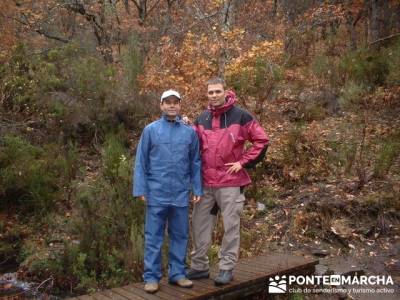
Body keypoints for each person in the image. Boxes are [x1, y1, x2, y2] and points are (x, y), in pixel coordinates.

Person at [186, 77, 269, 285]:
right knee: (199, 224)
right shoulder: (202, 118)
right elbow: (193, 144)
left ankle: (226, 268)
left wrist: (243, 162)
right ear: (207, 94)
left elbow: (261, 140)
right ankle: (199, 266)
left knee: (231, 226)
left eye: (217, 91)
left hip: (231, 182)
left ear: (225, 92)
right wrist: (187, 126)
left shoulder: (241, 116)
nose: (214, 95)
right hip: (206, 183)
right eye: (210, 92)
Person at [133, 89, 203, 293]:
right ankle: (152, 277)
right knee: (153, 236)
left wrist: (196, 187)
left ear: (180, 105)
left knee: (180, 235)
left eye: (175, 102)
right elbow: (141, 162)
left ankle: (177, 274)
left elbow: (195, 162)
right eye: (167, 102)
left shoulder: (189, 132)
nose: (172, 105)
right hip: (156, 193)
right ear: (161, 105)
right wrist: (140, 188)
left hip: (180, 194)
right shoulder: (151, 130)